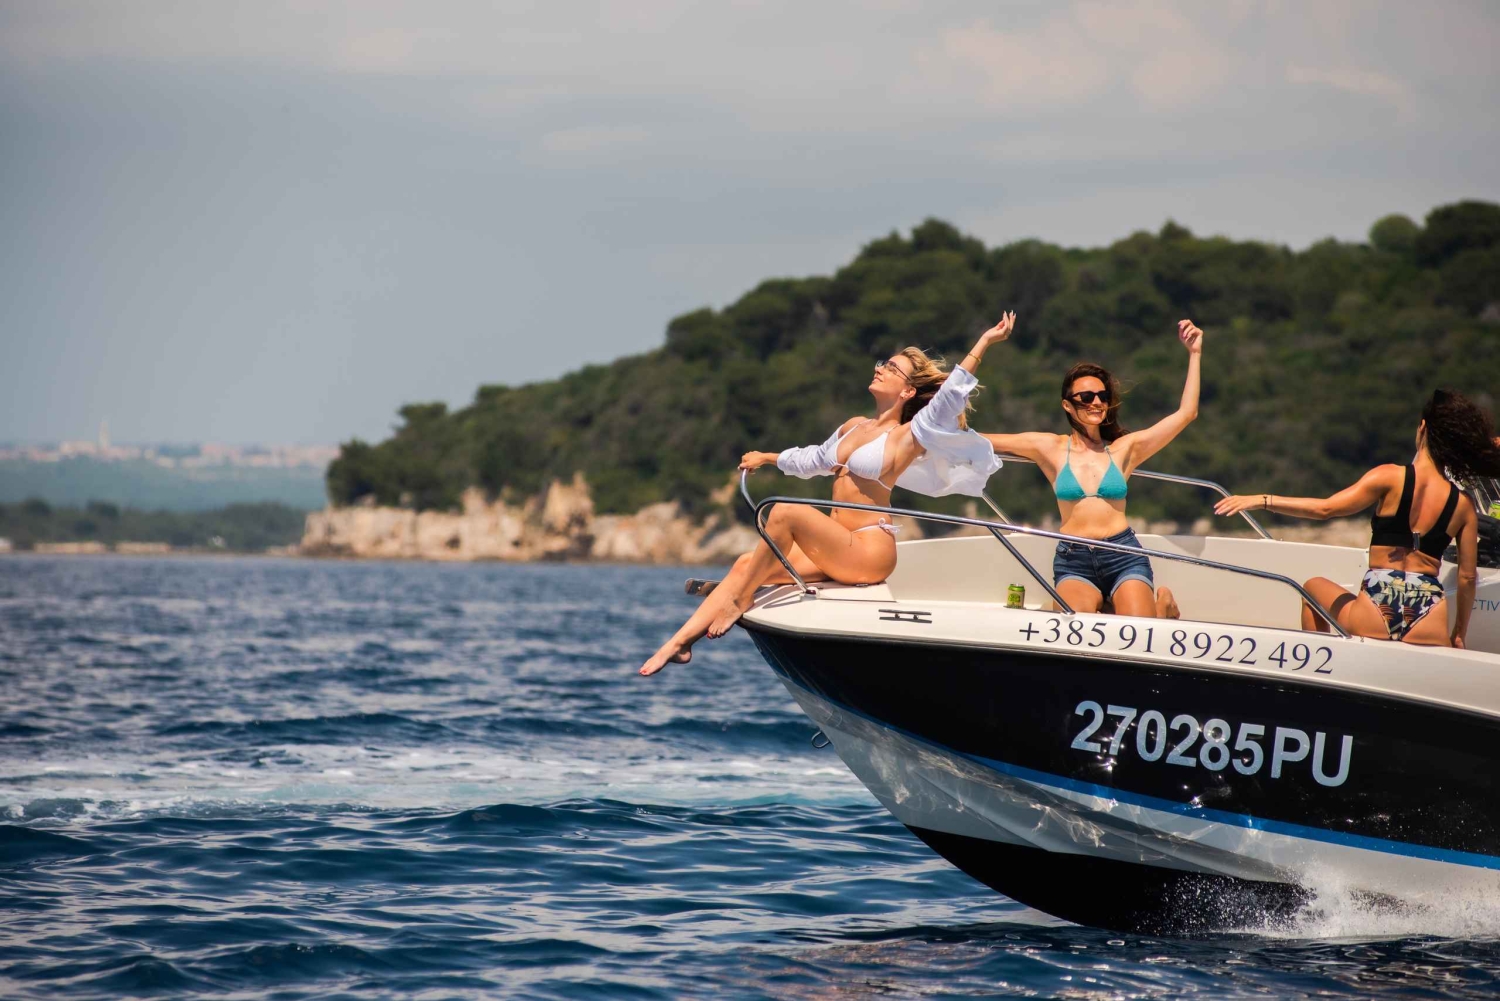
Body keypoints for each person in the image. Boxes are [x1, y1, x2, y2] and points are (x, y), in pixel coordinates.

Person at [639, 313, 1016, 676]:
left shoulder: (909, 435)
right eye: (883, 361)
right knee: (742, 564)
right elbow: (815, 459)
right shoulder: (855, 427)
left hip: (868, 552)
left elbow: (949, 397)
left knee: (785, 511)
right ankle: (679, 644)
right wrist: (769, 458)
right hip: (837, 546)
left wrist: (984, 342)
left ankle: (740, 599)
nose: (880, 367)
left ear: (906, 390)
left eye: (892, 367)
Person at [1215, 389, 1500, 647]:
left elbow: (1326, 509)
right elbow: (1466, 577)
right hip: (1428, 614)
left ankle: (1323, 672)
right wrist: (1459, 632)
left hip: (1376, 606)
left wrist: (1263, 500)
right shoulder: (1462, 505)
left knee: (1312, 588)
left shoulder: (1389, 477)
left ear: (1423, 428)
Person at [977, 320, 1204, 617]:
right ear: (1068, 406)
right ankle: (1117, 606)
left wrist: (1195, 353)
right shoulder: (1050, 447)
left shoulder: (1124, 449)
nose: (1096, 402)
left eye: (1102, 397)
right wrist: (984, 344)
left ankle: (1161, 604)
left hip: (1124, 554)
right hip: (1074, 558)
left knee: (1137, 630)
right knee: (1075, 627)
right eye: (1086, 398)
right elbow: (976, 440)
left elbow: (1187, 414)